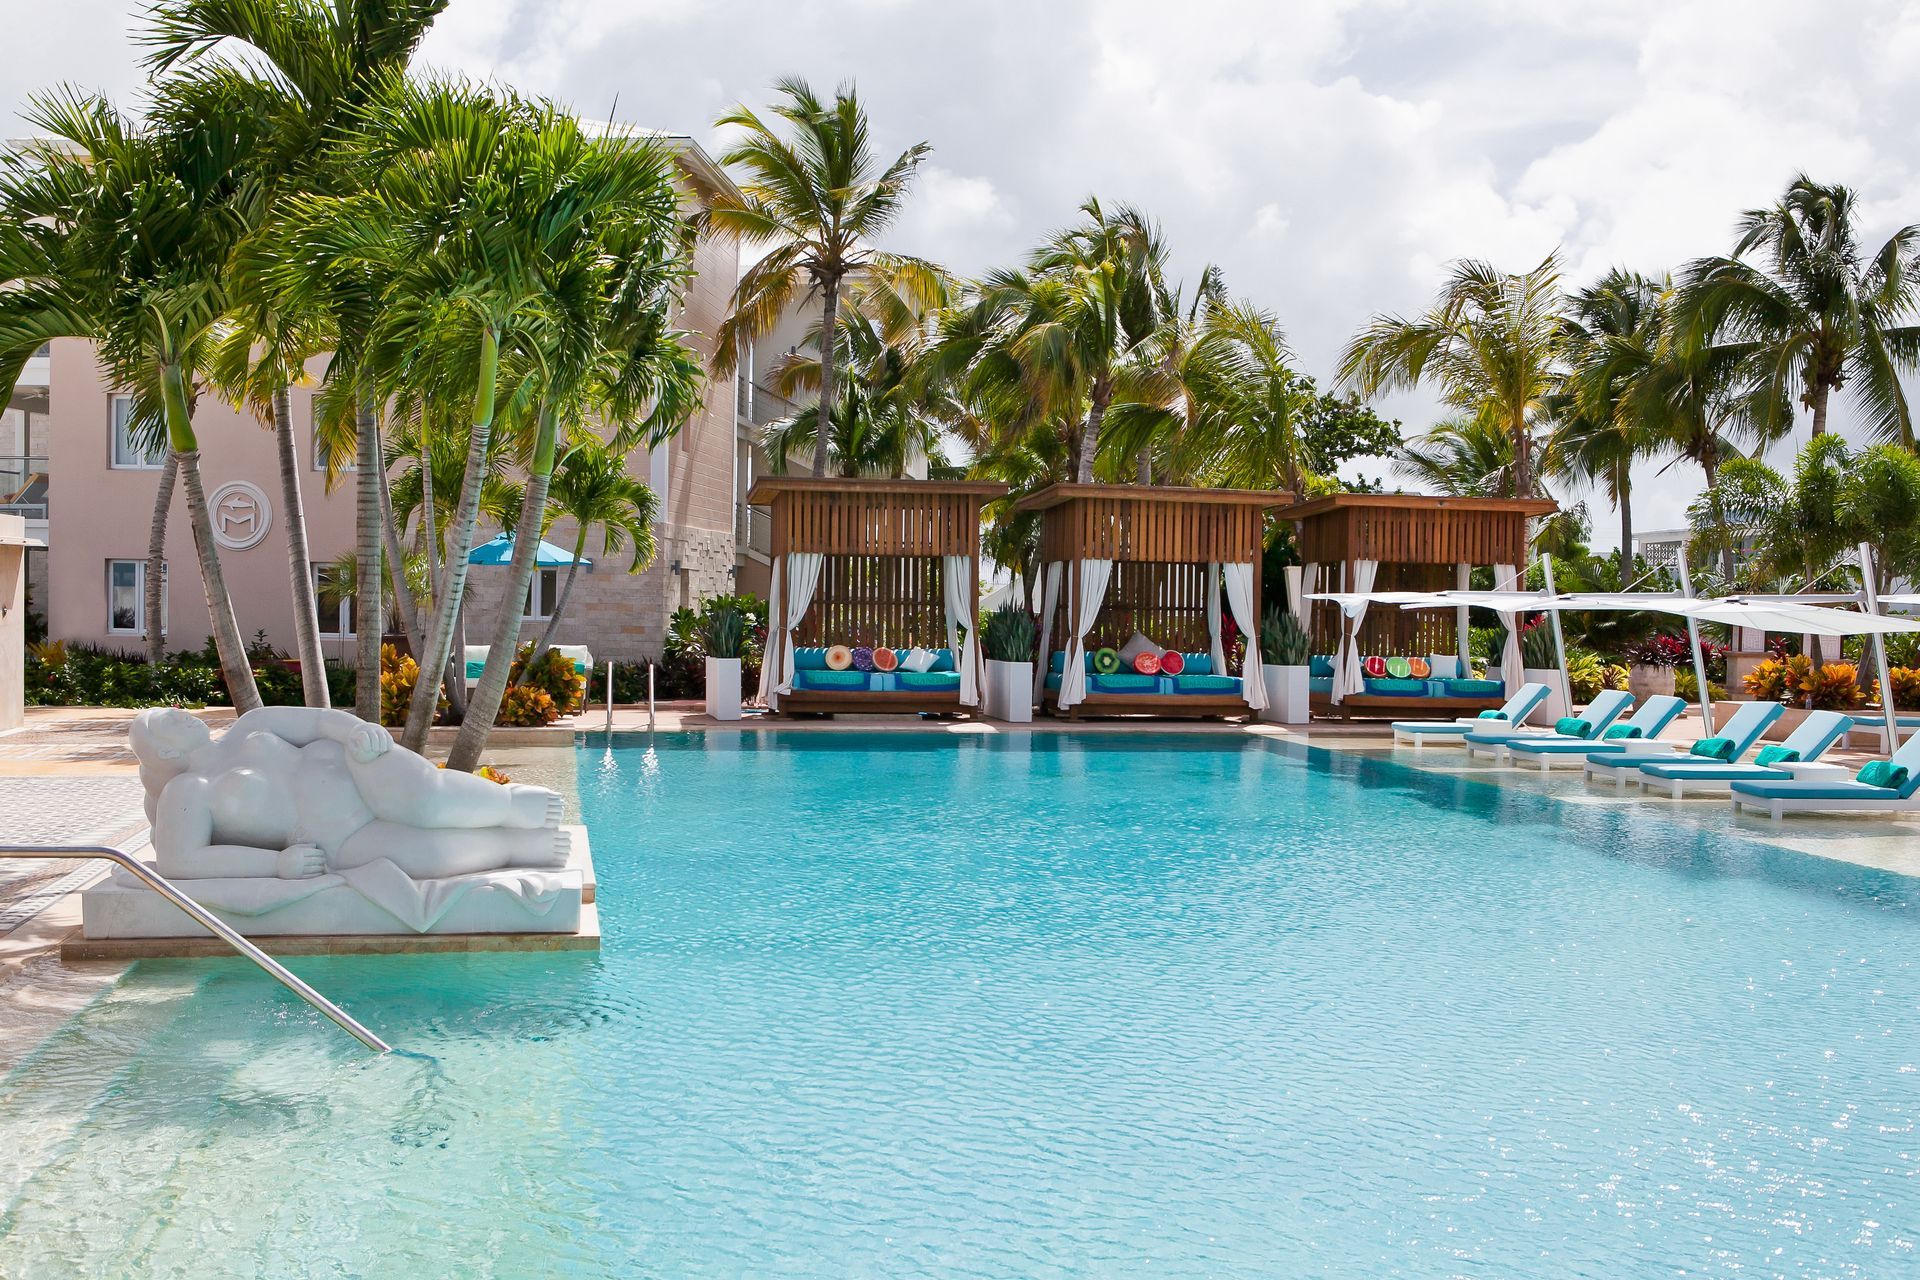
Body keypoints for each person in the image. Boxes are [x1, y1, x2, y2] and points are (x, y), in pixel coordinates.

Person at [130, 707, 567, 881]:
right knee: (428, 855)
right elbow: (179, 861)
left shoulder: (250, 726)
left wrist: (358, 731)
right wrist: (277, 863)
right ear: (165, 750)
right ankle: (511, 844)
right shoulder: (187, 791)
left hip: (357, 768)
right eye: (166, 720)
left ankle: (509, 803)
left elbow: (320, 721)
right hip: (337, 836)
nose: (180, 714)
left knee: (427, 799)